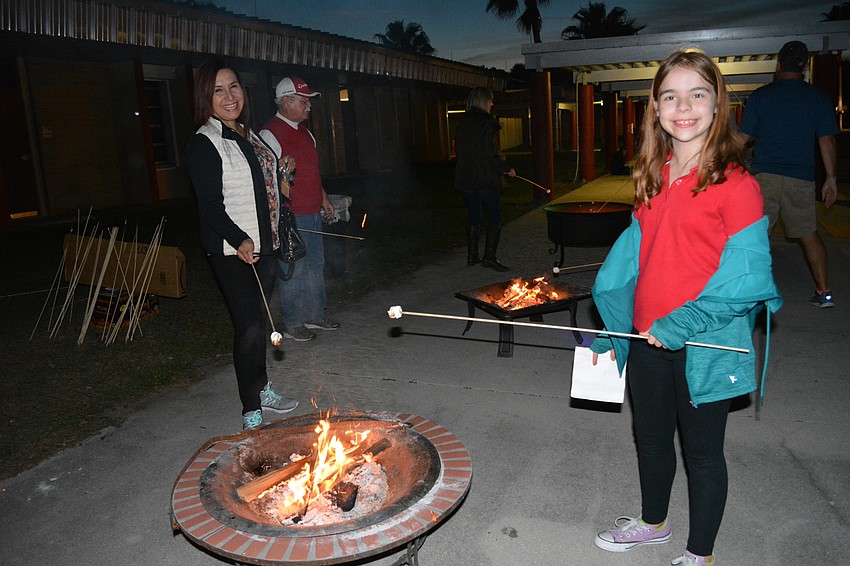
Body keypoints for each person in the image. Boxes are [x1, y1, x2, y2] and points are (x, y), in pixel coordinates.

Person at [588, 50, 782, 566]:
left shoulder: (738, 186)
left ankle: (701, 554)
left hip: (704, 341)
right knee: (649, 440)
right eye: (670, 95)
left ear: (718, 104)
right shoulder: (651, 174)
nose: (684, 106)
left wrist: (681, 322)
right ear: (654, 106)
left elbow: (746, 281)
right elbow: (641, 255)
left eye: (698, 93)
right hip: (646, 336)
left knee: (702, 453)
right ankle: (654, 524)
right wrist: (615, 315)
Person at [185, 59, 299, 431]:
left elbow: (260, 189)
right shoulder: (205, 142)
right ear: (206, 96)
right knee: (248, 327)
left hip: (263, 246)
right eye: (219, 90)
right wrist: (240, 239)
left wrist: (283, 176)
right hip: (233, 252)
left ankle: (262, 387)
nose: (230, 96)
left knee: (261, 322)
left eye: (234, 87)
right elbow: (210, 207)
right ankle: (251, 409)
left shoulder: (250, 135)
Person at [739, 40, 840, 308]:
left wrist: (718, 163)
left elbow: (743, 139)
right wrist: (830, 178)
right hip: (801, 179)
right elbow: (826, 140)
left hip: (764, 178)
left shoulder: (761, 96)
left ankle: (751, 294)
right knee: (809, 234)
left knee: (756, 235)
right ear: (805, 67)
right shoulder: (818, 97)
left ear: (778, 65)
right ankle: (824, 292)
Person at [259, 77, 339, 342]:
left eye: (308, 101)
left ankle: (315, 314)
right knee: (295, 268)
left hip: (313, 211)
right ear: (286, 101)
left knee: (316, 265)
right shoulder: (269, 134)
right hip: (291, 215)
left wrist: (324, 199)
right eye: (304, 101)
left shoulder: (306, 133)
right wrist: (282, 170)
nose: (309, 107)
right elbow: (265, 182)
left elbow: (312, 173)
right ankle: (293, 322)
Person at [454, 86, 516, 271]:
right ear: (483, 101)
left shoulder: (463, 121)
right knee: (495, 216)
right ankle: (489, 257)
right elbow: (489, 152)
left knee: (474, 215)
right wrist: (505, 168)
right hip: (485, 178)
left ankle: (472, 256)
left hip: (466, 177)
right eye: (490, 100)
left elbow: (463, 150)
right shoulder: (486, 122)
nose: (492, 103)